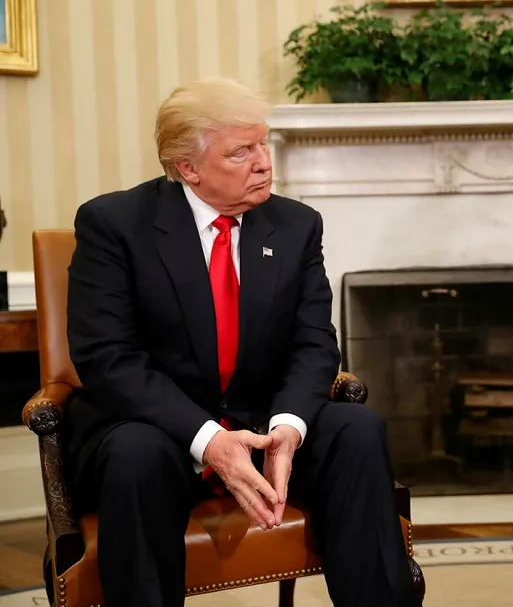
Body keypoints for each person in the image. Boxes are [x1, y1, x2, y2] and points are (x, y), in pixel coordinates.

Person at [64, 77, 420, 607]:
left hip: (260, 421)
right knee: (135, 454)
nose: (263, 163)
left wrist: (289, 428)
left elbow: (314, 343)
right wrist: (207, 438)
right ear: (188, 168)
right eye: (241, 152)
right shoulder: (115, 224)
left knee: (357, 428)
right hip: (157, 430)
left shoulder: (295, 224)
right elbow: (107, 359)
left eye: (263, 143)